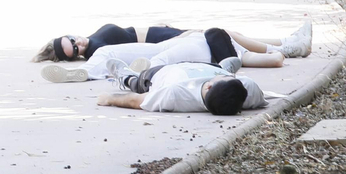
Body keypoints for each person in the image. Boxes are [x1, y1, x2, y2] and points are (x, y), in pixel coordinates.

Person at [34, 19, 312, 83]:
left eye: (73, 39)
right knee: (229, 34)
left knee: (229, 35)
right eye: (75, 49)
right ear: (75, 55)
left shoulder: (95, 44)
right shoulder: (98, 46)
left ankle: (285, 44)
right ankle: (287, 45)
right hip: (162, 41)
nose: (79, 43)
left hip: (160, 38)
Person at [97, 60, 268, 115]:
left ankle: (124, 75)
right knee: (224, 67)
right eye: (230, 78)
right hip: (209, 65)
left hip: (162, 73)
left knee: (137, 83)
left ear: (208, 87)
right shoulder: (247, 90)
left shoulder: (174, 93)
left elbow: (137, 100)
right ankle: (226, 66)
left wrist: (109, 99)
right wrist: (222, 73)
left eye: (225, 78)